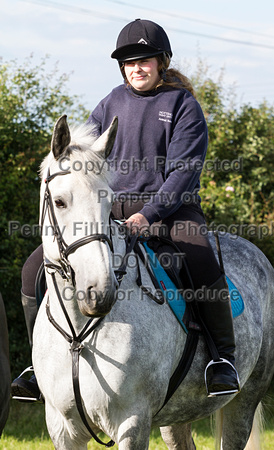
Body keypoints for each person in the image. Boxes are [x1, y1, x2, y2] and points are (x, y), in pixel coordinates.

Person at [11, 18, 239, 400]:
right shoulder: (110, 102)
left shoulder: (184, 105)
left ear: (161, 62)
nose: (137, 67)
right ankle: (38, 363)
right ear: (121, 67)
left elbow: (183, 173)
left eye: (145, 60)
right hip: (112, 213)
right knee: (33, 267)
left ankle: (222, 358)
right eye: (130, 62)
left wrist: (148, 215)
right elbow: (83, 158)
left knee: (200, 259)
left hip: (172, 212)